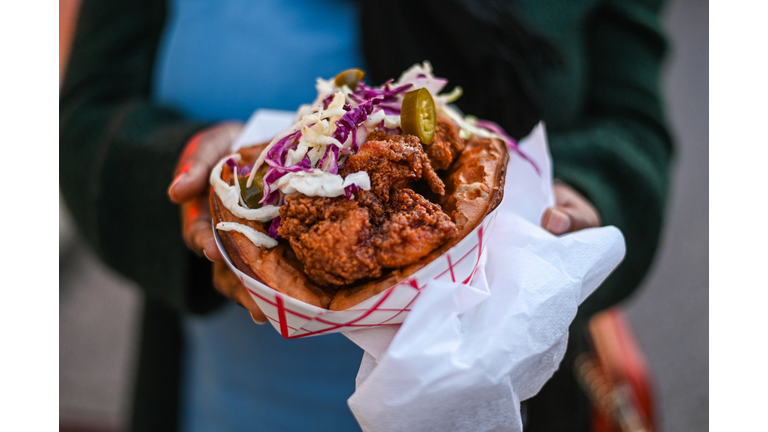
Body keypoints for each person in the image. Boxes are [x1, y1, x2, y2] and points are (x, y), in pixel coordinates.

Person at [59, 0, 672, 431]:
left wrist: (582, 209)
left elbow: (632, 129)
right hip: (227, 404)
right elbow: (87, 116)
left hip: (505, 407)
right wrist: (184, 169)